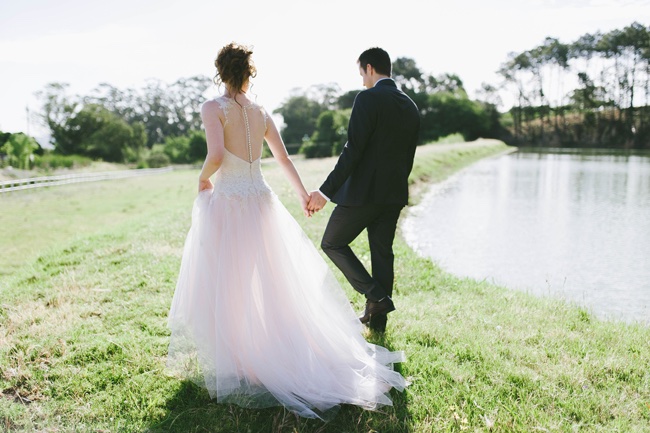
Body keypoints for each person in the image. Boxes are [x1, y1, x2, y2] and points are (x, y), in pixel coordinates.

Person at [166, 42, 408, 421]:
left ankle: (242, 357)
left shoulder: (213, 108)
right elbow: (282, 158)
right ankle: (263, 349)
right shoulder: (260, 112)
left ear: (220, 73)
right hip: (261, 202)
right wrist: (302, 196)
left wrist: (201, 181)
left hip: (229, 202)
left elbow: (215, 156)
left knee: (230, 281)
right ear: (249, 73)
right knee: (271, 281)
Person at [307, 47, 421, 334]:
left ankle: (377, 297)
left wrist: (324, 191)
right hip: (393, 195)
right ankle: (378, 324)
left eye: (362, 74)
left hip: (363, 195)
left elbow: (353, 150)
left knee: (332, 242)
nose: (362, 81)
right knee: (382, 254)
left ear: (370, 68)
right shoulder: (410, 105)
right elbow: (408, 155)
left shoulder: (367, 98)